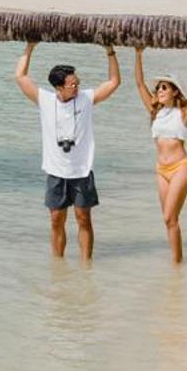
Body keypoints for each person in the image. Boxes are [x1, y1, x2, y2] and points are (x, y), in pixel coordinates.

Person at [14, 40, 120, 260]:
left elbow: (113, 82)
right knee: (56, 220)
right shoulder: (45, 100)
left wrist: (110, 51)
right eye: (72, 84)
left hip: (81, 170)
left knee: (83, 218)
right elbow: (20, 77)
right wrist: (30, 47)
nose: (77, 86)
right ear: (59, 87)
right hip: (55, 171)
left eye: (77, 82)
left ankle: (85, 264)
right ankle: (58, 265)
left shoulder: (86, 99)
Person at [134, 47, 187, 264]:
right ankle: (177, 265)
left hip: (179, 168)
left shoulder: (184, 112)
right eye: (158, 87)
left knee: (170, 216)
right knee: (169, 220)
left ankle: (177, 264)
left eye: (164, 87)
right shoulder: (155, 112)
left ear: (175, 92)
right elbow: (140, 84)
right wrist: (138, 54)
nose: (159, 90)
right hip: (161, 170)